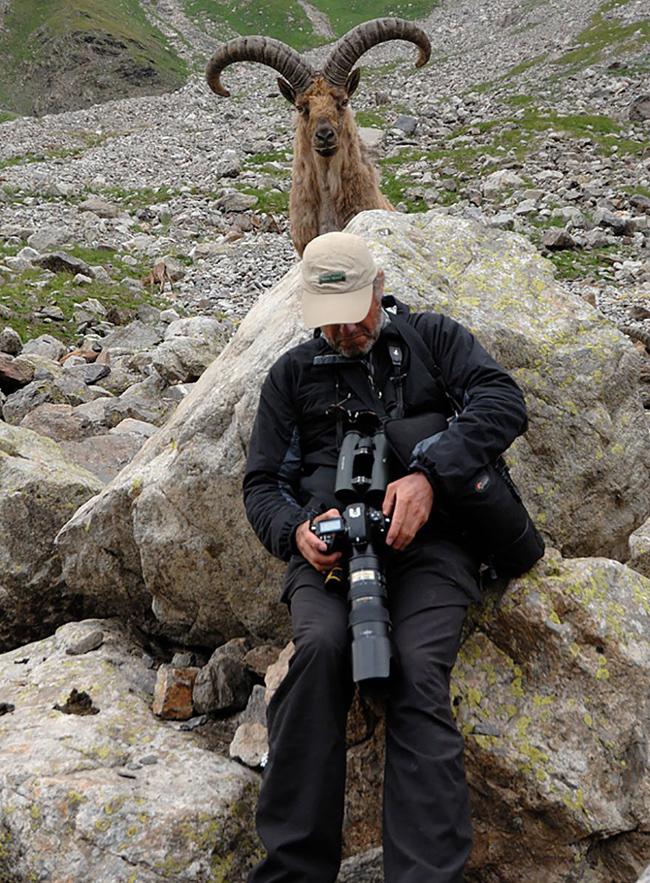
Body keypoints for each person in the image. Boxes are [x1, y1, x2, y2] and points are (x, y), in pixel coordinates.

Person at [243, 231, 528, 883]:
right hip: (330, 556)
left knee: (418, 669)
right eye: (330, 320)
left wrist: (430, 475)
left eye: (354, 314)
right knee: (319, 652)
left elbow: (502, 401)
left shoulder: (432, 339)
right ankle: (293, 871)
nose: (344, 331)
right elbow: (261, 485)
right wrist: (295, 532)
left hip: (435, 546)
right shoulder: (291, 375)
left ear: (379, 288)